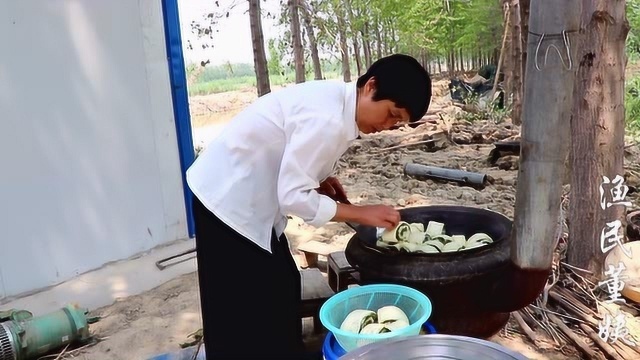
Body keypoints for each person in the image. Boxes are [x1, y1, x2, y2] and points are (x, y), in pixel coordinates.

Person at [186, 53, 432, 359]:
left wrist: (319, 177)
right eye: (392, 114)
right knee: (238, 311)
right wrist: (361, 212)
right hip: (225, 202)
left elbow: (291, 152)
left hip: (248, 198)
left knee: (282, 285)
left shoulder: (337, 105)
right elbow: (292, 197)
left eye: (399, 123)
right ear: (371, 86)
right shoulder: (327, 119)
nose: (389, 125)